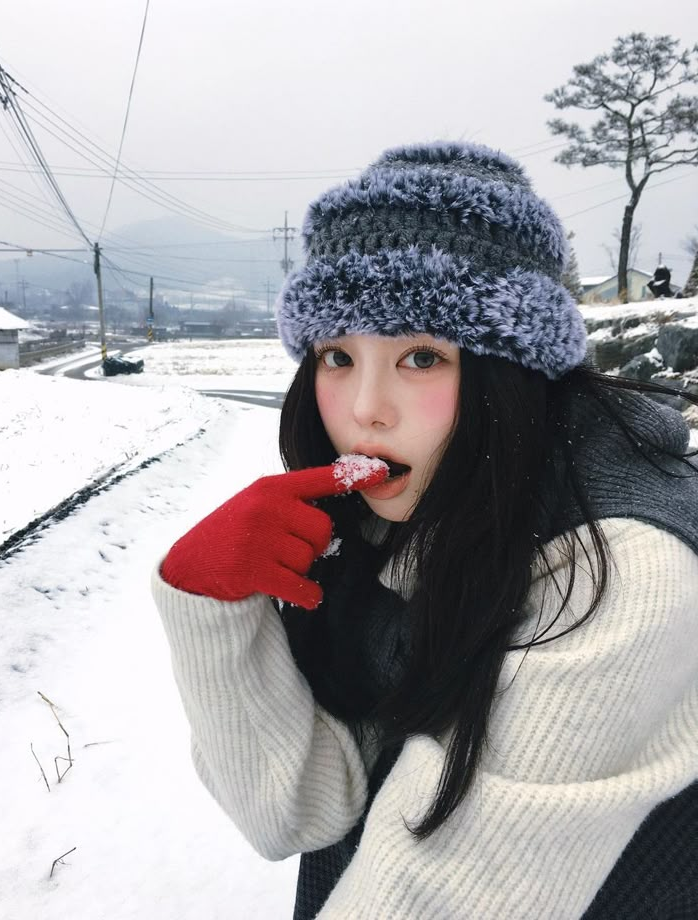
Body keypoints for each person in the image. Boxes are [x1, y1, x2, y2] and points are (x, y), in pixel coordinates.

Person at [152, 142, 698, 919]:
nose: (366, 409)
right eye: (337, 355)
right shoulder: (399, 521)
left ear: (510, 372)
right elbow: (300, 812)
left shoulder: (624, 571)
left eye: (419, 356)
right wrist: (207, 603)